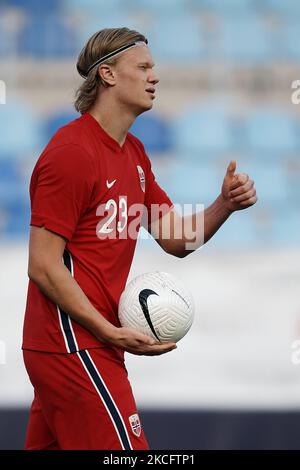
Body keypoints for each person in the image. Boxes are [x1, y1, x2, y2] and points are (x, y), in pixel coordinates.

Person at [22, 27, 257, 450]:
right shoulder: (72, 152)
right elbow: (42, 264)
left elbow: (175, 239)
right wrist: (107, 331)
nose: (155, 77)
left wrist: (224, 204)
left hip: (82, 346)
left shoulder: (133, 154)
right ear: (108, 74)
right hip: (74, 345)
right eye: (144, 67)